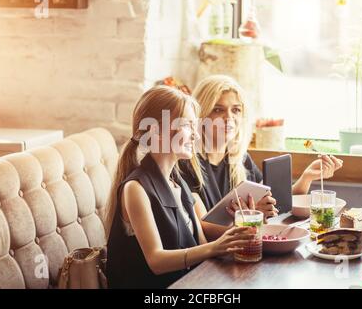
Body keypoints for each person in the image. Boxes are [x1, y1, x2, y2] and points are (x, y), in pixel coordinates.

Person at [106, 86, 255, 288]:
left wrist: (230, 242)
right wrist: (215, 248)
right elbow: (156, 261)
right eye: (187, 125)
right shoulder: (136, 188)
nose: (196, 134)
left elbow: (202, 246)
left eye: (196, 126)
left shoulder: (180, 185)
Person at [179, 75, 343, 240]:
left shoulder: (241, 160)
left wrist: (307, 177)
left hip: (244, 246)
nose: (229, 118)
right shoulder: (187, 164)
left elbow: (278, 202)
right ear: (199, 116)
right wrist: (252, 218)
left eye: (236, 110)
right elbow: (204, 229)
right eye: (218, 109)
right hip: (218, 257)